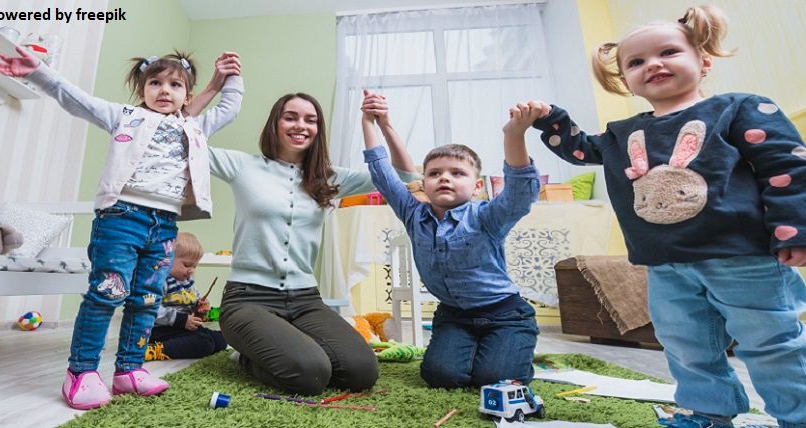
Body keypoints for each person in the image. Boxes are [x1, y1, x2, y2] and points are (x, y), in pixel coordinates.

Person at [532, 5, 806, 427]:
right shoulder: (622, 133)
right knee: (684, 344)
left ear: (703, 61)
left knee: (771, 343)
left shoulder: (740, 108)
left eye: (669, 52)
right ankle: (708, 411)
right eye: (636, 62)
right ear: (628, 82)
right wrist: (551, 119)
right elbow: (580, 149)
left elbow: (788, 168)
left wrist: (800, 230)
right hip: (664, 263)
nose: (652, 64)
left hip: (742, 258)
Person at [0, 49, 243, 409]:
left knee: (146, 300)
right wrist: (39, 72)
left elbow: (230, 107)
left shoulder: (195, 126)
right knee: (107, 294)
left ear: (187, 96)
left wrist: (233, 76)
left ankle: (129, 370)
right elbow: (76, 99)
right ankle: (81, 372)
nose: (163, 90)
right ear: (142, 90)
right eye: (154, 83)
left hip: (165, 225)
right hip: (121, 219)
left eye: (174, 84)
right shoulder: (126, 117)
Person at [206, 91, 418, 395]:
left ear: (319, 129)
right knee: (310, 375)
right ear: (275, 124)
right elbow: (186, 144)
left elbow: (405, 176)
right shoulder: (242, 165)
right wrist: (214, 93)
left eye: (310, 119)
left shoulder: (329, 178)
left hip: (305, 299)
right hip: (248, 299)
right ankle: (245, 356)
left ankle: (281, 346)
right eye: (290, 117)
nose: (300, 125)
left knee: (362, 372)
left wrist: (383, 124)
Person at [361, 90, 542, 388]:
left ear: (477, 185)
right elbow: (382, 174)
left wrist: (515, 134)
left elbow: (521, 191)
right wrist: (369, 121)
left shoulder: (487, 216)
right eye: (435, 173)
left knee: (494, 380)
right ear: (424, 183)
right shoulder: (413, 214)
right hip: (454, 316)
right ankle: (476, 352)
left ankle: (512, 350)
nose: (445, 177)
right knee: (440, 377)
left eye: (457, 173)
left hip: (506, 315)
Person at [145, 232, 226, 361]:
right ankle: (156, 349)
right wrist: (181, 320)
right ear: (167, 259)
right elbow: (151, 309)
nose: (191, 270)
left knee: (221, 339)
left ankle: (194, 341)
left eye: (194, 266)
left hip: (182, 328)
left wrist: (200, 307)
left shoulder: (189, 283)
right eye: (187, 265)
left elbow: (193, 305)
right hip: (161, 330)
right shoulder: (161, 281)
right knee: (205, 343)